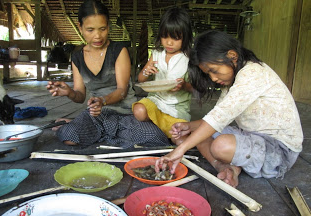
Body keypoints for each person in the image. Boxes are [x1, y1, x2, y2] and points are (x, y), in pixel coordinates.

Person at [155, 30, 303, 187]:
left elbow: (218, 119)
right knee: (195, 134)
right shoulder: (232, 80)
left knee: (220, 145)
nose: (213, 78)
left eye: (214, 70)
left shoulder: (252, 72)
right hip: (250, 136)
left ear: (232, 56)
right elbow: (216, 116)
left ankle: (234, 163)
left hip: (279, 150)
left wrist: (180, 150)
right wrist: (188, 126)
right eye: (209, 74)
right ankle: (225, 168)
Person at [46, 0, 169, 148]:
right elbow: (79, 96)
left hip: (125, 115)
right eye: (90, 30)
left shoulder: (118, 50)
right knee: (69, 136)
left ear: (108, 26)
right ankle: (90, 128)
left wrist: (102, 101)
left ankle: (96, 132)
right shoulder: (77, 57)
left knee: (155, 138)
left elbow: (122, 91)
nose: (97, 36)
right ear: (80, 27)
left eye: (102, 29)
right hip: (97, 116)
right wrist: (69, 92)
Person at [133, 7, 194, 144]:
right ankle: (161, 128)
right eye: (165, 36)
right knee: (139, 110)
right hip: (156, 101)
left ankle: (158, 129)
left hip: (177, 109)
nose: (169, 42)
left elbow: (196, 89)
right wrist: (146, 71)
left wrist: (184, 86)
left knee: (182, 141)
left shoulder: (188, 59)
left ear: (186, 37)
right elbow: (141, 80)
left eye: (176, 38)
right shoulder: (156, 53)